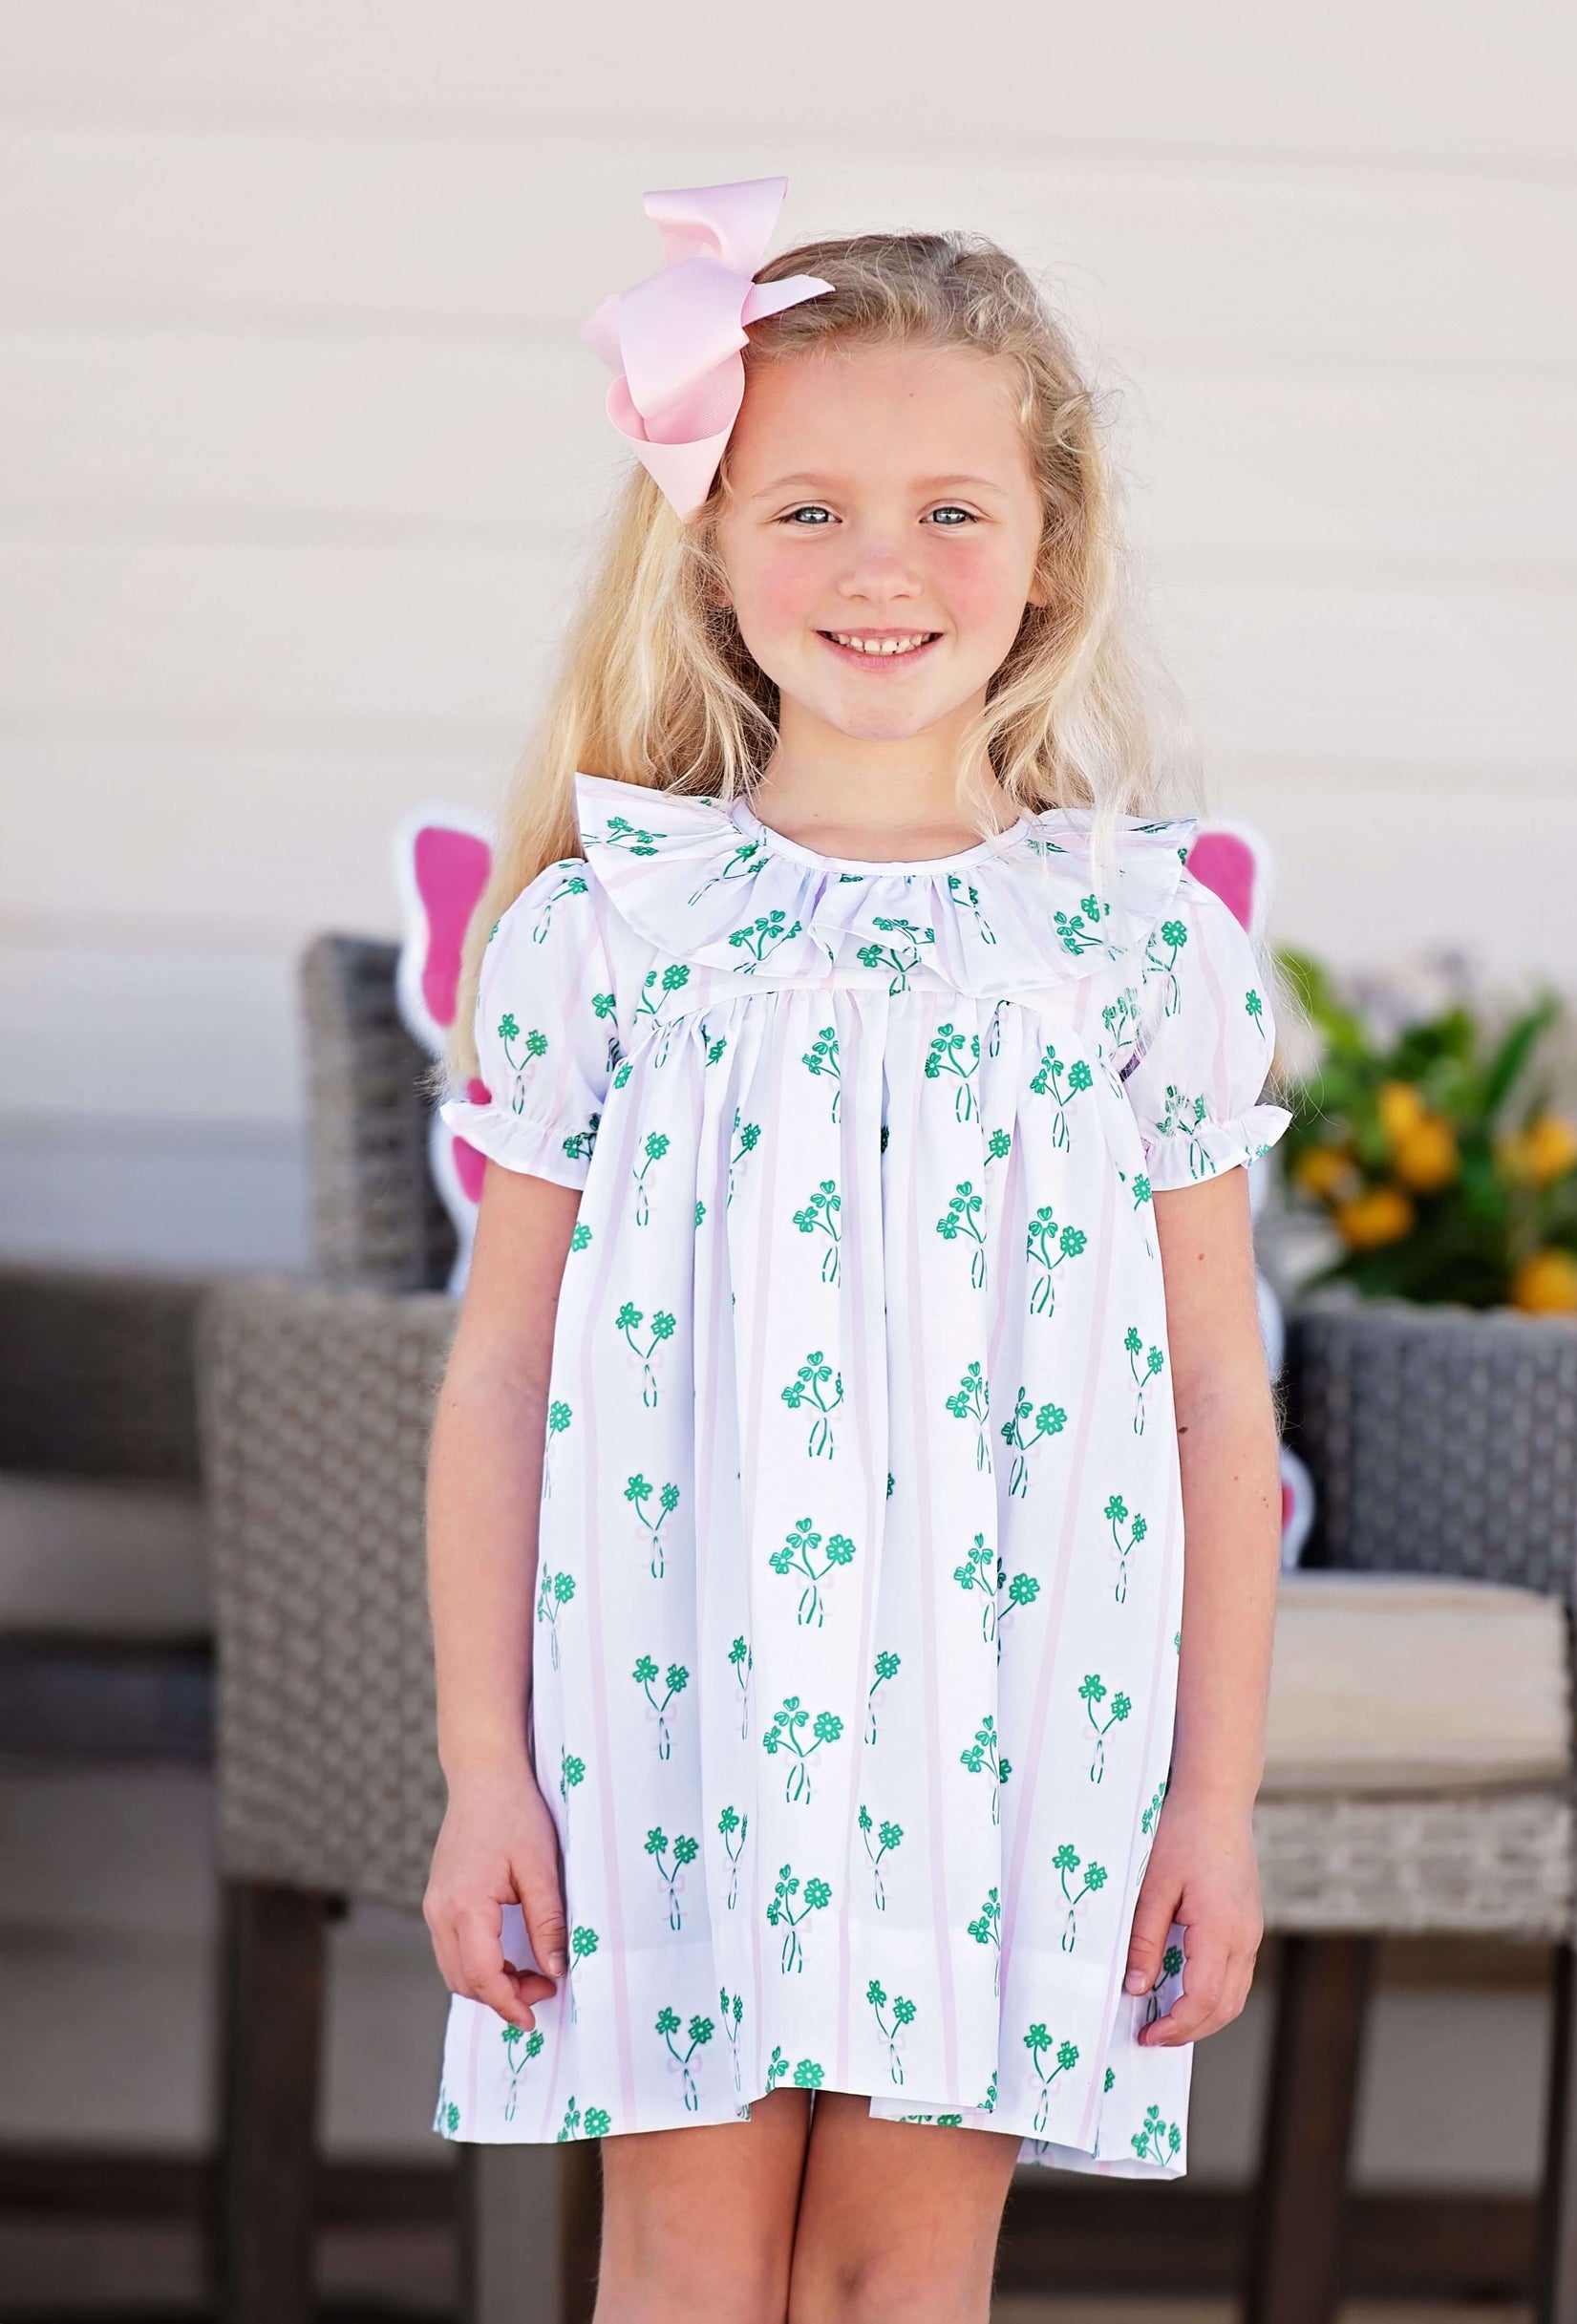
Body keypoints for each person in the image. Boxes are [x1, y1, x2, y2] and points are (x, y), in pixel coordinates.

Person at [421, 175, 1290, 2323]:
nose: (878, 565)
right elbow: (495, 1373)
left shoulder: (1134, 950)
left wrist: (1215, 1797)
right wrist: (478, 1771)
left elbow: (1210, 1381)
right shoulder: (607, 931)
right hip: (666, 1716)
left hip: (1011, 1725)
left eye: (947, 508)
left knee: (906, 2268)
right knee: (687, 2260)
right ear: (706, 540)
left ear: (1048, 551)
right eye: (803, 506)